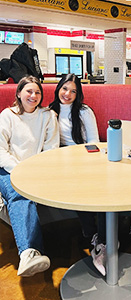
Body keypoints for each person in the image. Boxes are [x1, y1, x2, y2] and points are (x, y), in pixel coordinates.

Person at [0, 75, 59, 277]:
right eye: (29, 91)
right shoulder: (7, 115)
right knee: (19, 194)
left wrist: (34, 172)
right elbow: (0, 151)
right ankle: (29, 252)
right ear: (18, 93)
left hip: (36, 170)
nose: (33, 96)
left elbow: (51, 149)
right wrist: (20, 171)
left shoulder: (48, 116)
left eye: (37, 92)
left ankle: (28, 253)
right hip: (8, 169)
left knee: (23, 194)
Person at [49, 74, 107, 276]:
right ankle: (93, 235)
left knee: (95, 187)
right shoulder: (49, 112)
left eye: (73, 91)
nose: (68, 94)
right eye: (65, 89)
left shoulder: (83, 111)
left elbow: (94, 142)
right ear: (58, 89)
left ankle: (101, 238)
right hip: (60, 163)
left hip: (85, 159)